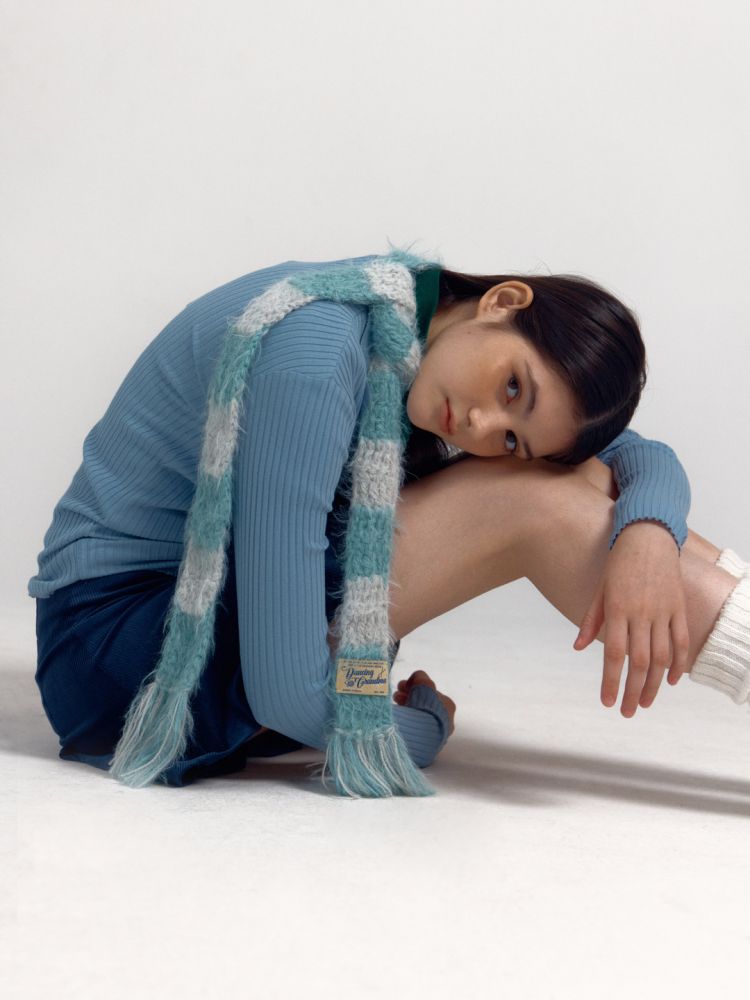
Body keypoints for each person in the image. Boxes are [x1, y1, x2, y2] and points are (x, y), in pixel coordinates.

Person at [29, 251, 750, 789]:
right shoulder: (322, 353)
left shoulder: (405, 320)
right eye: (511, 386)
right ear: (503, 301)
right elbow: (287, 692)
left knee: (572, 477)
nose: (481, 424)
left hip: (213, 611)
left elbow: (636, 457)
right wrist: (417, 730)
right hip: (126, 655)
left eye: (511, 436)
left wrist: (648, 538)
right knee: (539, 500)